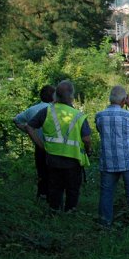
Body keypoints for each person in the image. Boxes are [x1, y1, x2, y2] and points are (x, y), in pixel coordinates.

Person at [24, 80, 91, 212]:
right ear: (71, 96)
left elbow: (29, 127)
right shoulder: (78, 115)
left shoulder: (46, 111)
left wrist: (41, 146)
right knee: (72, 189)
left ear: (55, 96)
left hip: (52, 159)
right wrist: (88, 150)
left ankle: (54, 212)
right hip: (73, 159)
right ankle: (70, 212)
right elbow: (86, 139)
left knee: (54, 188)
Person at [94, 86, 129, 227]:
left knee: (106, 192)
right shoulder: (128, 116)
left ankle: (105, 222)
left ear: (110, 99)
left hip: (108, 162)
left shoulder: (99, 116)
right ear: (123, 100)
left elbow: (99, 130)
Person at [14, 85, 56, 199]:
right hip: (56, 147)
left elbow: (16, 120)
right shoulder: (56, 110)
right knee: (54, 175)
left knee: (41, 173)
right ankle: (53, 199)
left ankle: (42, 195)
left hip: (39, 145)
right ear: (54, 96)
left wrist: (28, 131)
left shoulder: (32, 109)